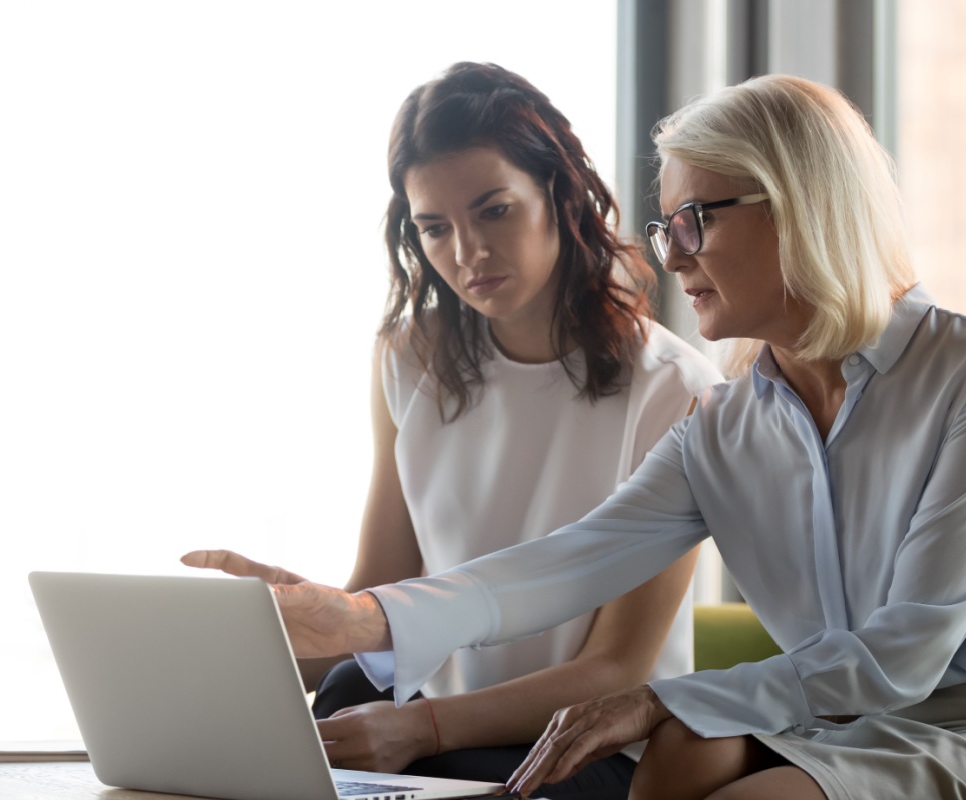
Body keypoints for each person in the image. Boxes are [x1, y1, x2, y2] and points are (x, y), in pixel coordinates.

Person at [185, 74, 966, 800]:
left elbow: (905, 652)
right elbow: (563, 563)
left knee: (691, 746)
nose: (670, 252)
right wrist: (366, 621)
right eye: (665, 221)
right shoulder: (723, 423)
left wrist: (655, 697)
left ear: (801, 205)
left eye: (696, 219)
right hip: (846, 719)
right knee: (680, 757)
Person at [185, 62, 723, 800]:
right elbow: (381, 592)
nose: (466, 253)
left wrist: (423, 728)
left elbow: (617, 669)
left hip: (582, 747)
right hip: (423, 726)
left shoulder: (679, 391)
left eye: (493, 211)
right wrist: (243, 649)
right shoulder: (411, 358)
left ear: (560, 196)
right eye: (434, 228)